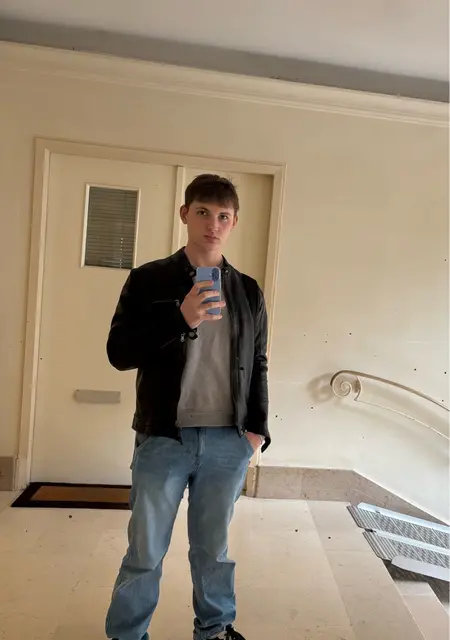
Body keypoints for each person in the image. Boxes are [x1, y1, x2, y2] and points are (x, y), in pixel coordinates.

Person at [105, 174, 270, 640]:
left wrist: (256, 429)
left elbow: (258, 361)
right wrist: (180, 318)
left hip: (228, 440)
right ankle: (127, 634)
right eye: (202, 213)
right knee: (145, 551)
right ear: (185, 214)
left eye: (223, 216)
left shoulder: (248, 291)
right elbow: (119, 353)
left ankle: (214, 630)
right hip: (164, 436)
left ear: (234, 222)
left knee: (213, 551)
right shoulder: (148, 279)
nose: (212, 225)